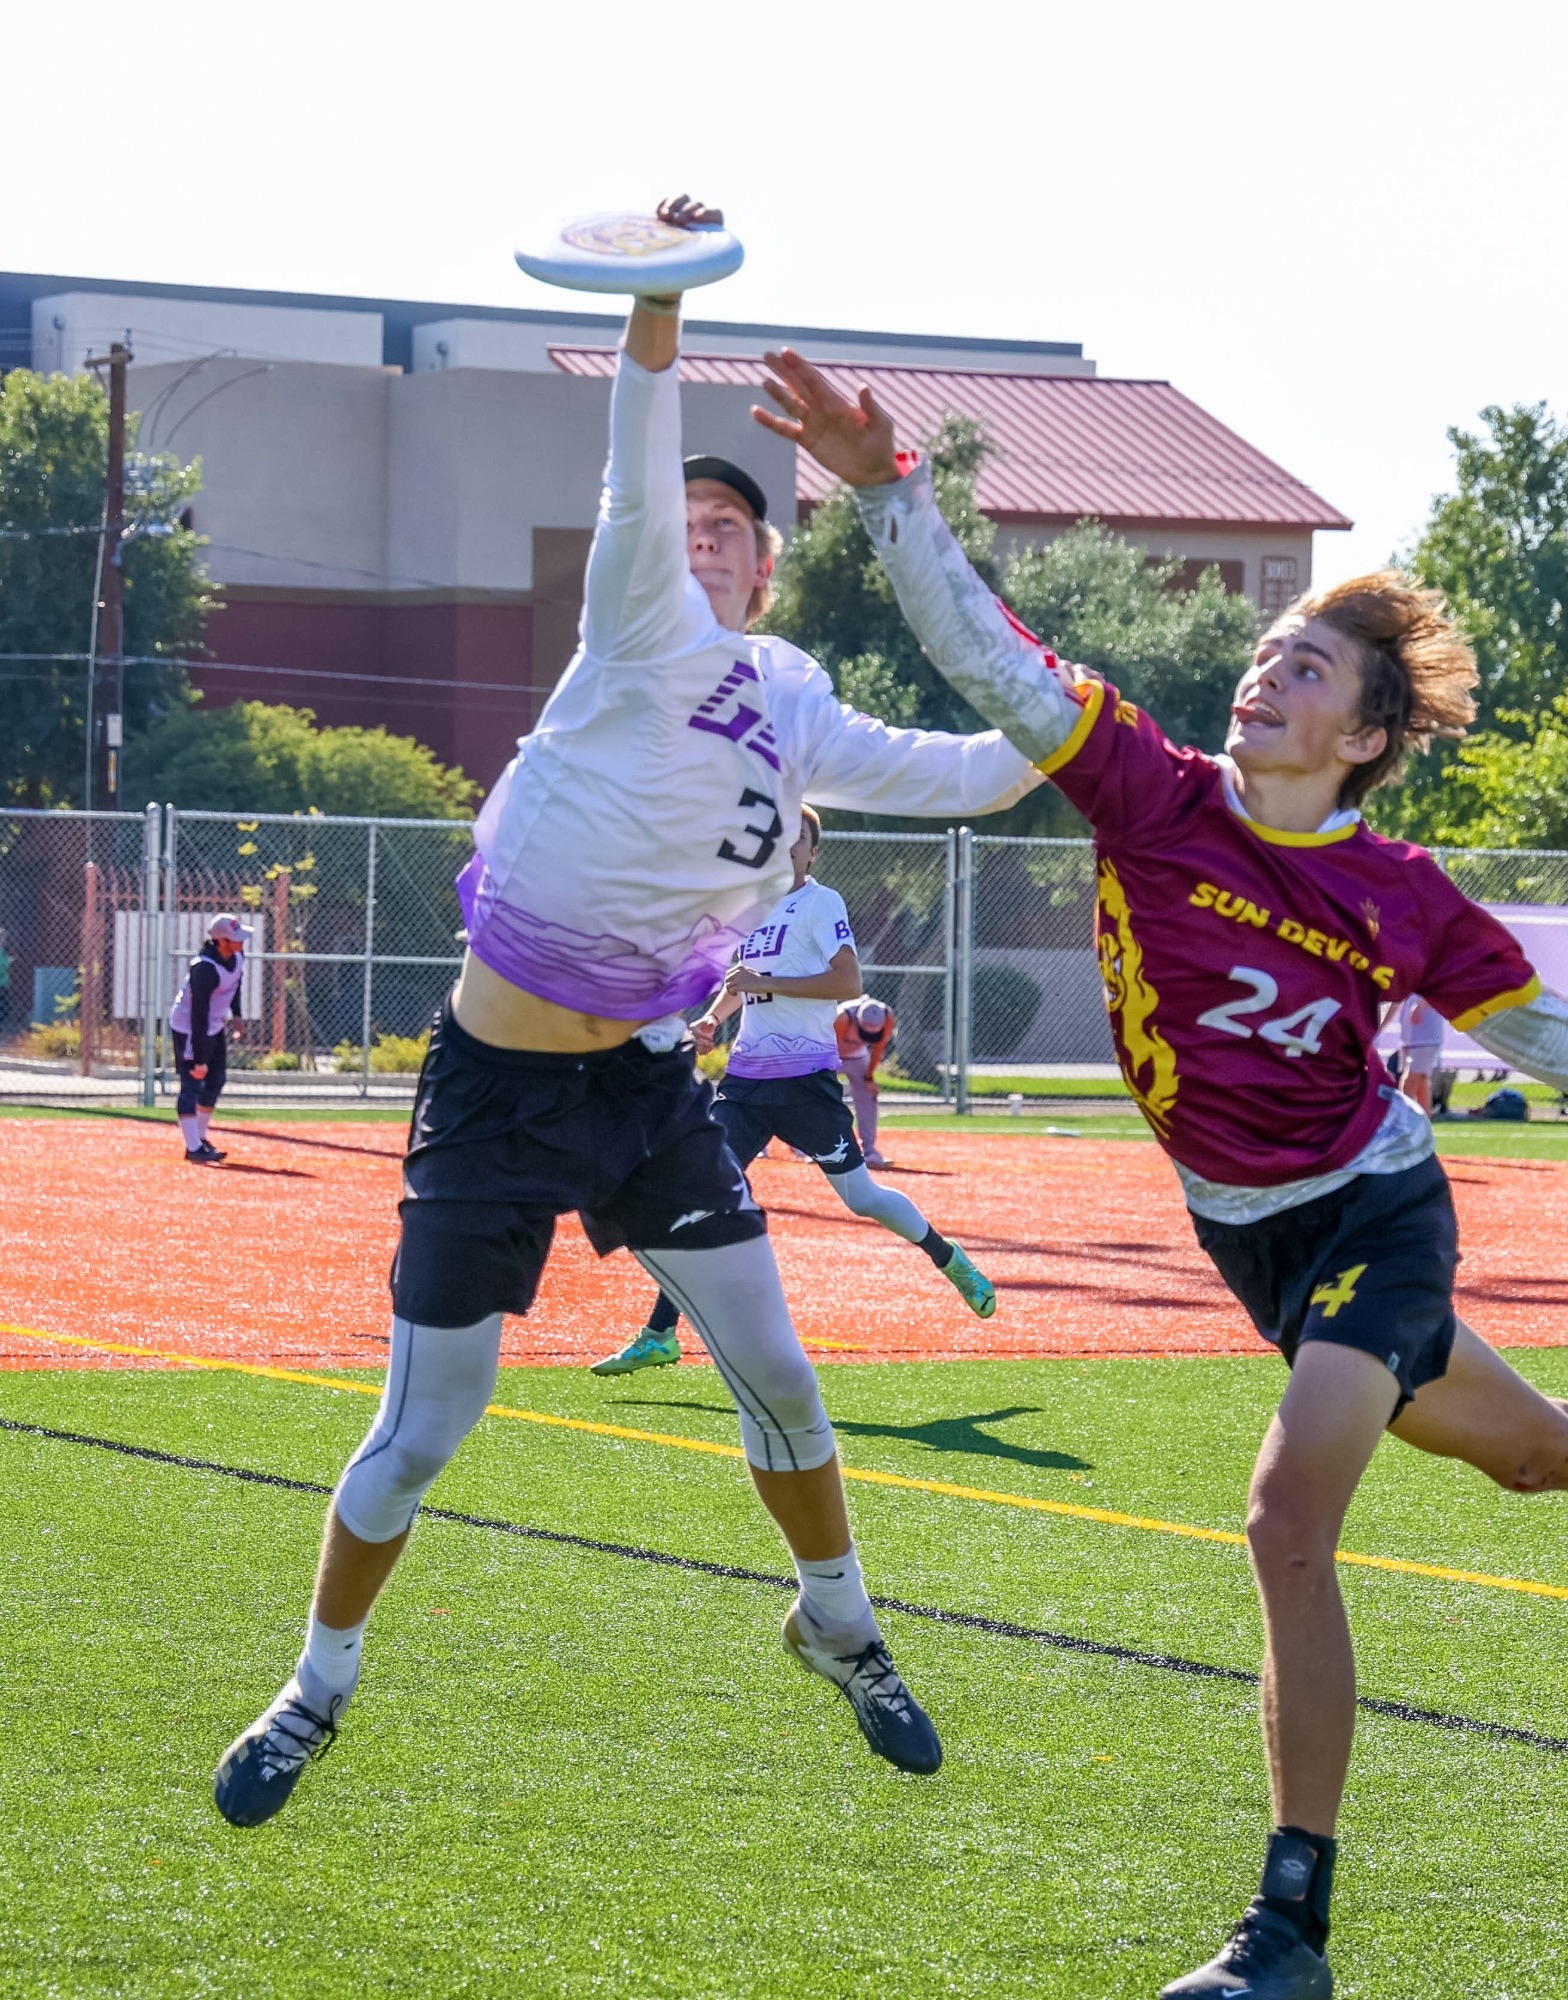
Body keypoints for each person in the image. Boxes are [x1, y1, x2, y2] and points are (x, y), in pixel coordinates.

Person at [754, 351, 1568, 2000]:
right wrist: (888, 489)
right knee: (1539, 1453)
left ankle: (1286, 1927)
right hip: (1249, 1243)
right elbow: (983, 652)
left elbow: (1553, 1034)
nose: (1262, 672)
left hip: (1374, 1211)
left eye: (1302, 667)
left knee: (1285, 1514)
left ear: (1362, 733)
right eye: (1265, 651)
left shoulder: (1398, 890)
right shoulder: (1141, 786)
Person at [210, 200, 1043, 1829]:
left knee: (782, 1384)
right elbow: (633, 438)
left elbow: (970, 775)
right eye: (684, 513)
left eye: (731, 520)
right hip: (496, 1090)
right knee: (420, 1435)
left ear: (770, 557)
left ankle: (844, 1626)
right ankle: (316, 1684)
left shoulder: (794, 703)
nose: (700, 528)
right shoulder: (632, 617)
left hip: (651, 1090)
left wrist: (1066, 718)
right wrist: (656, 303)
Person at [591, 805, 993, 1375]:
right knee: (699, 1194)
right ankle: (660, 1334)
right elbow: (742, 985)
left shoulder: (821, 902)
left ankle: (946, 1257)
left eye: (796, 839)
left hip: (805, 1083)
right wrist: (711, 1020)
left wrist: (764, 983)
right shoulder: (751, 910)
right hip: (747, 1082)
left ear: (811, 851)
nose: (783, 847)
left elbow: (847, 982)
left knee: (862, 1198)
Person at [169, 914, 250, 1163]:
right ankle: (192, 1147)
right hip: (190, 1029)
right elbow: (198, 1014)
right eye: (235, 938)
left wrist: (236, 1015)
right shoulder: (203, 968)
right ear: (221, 941)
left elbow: (235, 985)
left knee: (216, 1081)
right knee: (193, 1082)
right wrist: (200, 1057)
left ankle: (200, 1139)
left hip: (213, 1026)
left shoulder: (236, 957)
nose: (241, 942)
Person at [835, 993, 896, 1167]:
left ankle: (869, 1151)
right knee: (816, 1097)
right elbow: (827, 1048)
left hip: (857, 1058)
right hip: (830, 1057)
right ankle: (813, 1149)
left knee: (868, 1096)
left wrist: (869, 1077)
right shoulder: (843, 1017)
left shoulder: (887, 1017)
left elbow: (878, 1048)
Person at [1390, 992, 1443, 1116]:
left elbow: (1437, 986)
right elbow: (1396, 1000)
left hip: (1428, 1035)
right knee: (1421, 1083)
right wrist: (1381, 1025)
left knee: (1410, 1080)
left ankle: (1404, 1121)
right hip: (1408, 1036)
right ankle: (1425, 1128)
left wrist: (1421, 1004)